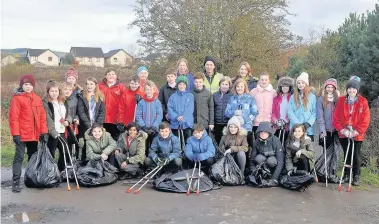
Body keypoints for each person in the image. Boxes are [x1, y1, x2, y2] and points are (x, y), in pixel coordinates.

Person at [9, 74, 48, 193]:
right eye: (25, 84)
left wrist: (44, 132)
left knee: (32, 157)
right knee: (19, 157)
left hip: (34, 135)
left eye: (30, 84)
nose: (28, 87)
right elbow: (13, 117)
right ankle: (16, 182)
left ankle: (31, 179)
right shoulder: (17, 98)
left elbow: (42, 117)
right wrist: (15, 134)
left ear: (33, 86)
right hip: (21, 134)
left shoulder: (37, 98)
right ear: (22, 85)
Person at [333, 77, 370, 186]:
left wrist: (357, 131)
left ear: (357, 90)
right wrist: (342, 130)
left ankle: (356, 175)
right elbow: (336, 118)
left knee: (356, 155)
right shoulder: (341, 100)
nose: (351, 91)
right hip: (344, 133)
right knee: (347, 153)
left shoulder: (363, 101)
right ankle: (346, 175)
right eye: (349, 88)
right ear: (347, 89)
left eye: (354, 88)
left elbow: (365, 119)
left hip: (357, 134)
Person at [42, 80, 72, 171]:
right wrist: (53, 132)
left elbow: (69, 114)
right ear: (48, 92)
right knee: (51, 152)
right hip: (52, 132)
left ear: (59, 91)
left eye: (56, 91)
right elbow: (48, 118)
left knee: (65, 152)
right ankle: (50, 172)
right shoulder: (46, 103)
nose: (54, 93)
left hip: (62, 131)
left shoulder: (63, 101)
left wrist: (68, 121)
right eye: (51, 91)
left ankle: (61, 170)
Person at [316, 78, 340, 182]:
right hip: (326, 130)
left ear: (335, 88)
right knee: (326, 152)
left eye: (332, 87)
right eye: (328, 87)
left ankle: (332, 173)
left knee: (335, 153)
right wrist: (322, 131)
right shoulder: (321, 99)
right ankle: (323, 173)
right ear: (325, 88)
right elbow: (320, 117)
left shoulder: (338, 99)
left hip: (336, 130)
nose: (330, 89)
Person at [77, 77, 106, 161]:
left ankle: (97, 161)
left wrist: (97, 125)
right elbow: (81, 111)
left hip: (97, 125)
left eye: (91, 84)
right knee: (86, 143)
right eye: (88, 84)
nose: (89, 86)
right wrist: (88, 124)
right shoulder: (82, 96)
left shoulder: (100, 95)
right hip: (86, 124)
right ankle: (84, 162)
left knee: (97, 144)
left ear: (95, 85)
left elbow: (102, 111)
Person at [250, 121, 284, 186]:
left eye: (265, 132)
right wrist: (253, 173)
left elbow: (280, 161)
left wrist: (274, 179)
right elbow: (252, 158)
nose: (263, 134)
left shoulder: (276, 140)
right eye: (261, 132)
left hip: (273, 161)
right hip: (262, 162)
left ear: (269, 132)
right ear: (258, 133)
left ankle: (271, 175)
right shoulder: (256, 141)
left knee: (271, 161)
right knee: (258, 158)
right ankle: (264, 175)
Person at [136, 80, 163, 155]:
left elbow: (159, 115)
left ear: (154, 90)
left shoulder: (157, 102)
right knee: (144, 146)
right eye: (147, 89)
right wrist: (143, 126)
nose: (149, 91)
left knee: (153, 146)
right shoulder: (141, 102)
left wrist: (154, 127)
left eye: (150, 89)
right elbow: (138, 115)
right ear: (144, 91)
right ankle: (144, 161)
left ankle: (152, 160)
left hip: (154, 129)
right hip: (144, 129)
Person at [99, 68, 126, 140]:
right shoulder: (100, 86)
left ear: (116, 76)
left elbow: (125, 102)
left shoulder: (121, 87)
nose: (111, 76)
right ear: (105, 76)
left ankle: (114, 151)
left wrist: (121, 119)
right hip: (103, 117)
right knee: (103, 138)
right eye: (109, 74)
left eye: (113, 74)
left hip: (115, 118)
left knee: (114, 138)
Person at [288, 72, 317, 141]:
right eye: (299, 83)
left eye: (303, 83)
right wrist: (298, 124)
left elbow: (314, 112)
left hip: (307, 128)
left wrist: (308, 123)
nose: (301, 85)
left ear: (306, 84)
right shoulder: (292, 97)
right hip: (295, 128)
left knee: (307, 150)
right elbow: (290, 111)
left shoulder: (312, 97)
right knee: (294, 148)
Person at [167, 75, 194, 142]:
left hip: (187, 123)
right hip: (175, 124)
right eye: (180, 84)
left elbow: (190, 109)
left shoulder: (190, 96)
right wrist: (176, 117)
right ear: (177, 85)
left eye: (183, 84)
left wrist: (183, 118)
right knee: (177, 142)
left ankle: (187, 152)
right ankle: (178, 152)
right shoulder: (173, 96)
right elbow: (170, 108)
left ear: (186, 85)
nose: (182, 86)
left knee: (187, 141)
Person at [272, 76, 294, 144]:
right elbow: (273, 111)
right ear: (280, 87)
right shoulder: (276, 98)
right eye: (283, 86)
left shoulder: (292, 98)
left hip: (288, 126)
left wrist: (285, 120)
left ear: (290, 87)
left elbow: (293, 111)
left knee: (286, 145)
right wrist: (275, 121)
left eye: (287, 86)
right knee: (277, 144)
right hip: (278, 126)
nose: (285, 88)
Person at [213, 76, 233, 143]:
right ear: (220, 85)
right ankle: (219, 152)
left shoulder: (232, 95)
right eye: (223, 84)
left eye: (226, 84)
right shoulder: (215, 95)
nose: (224, 86)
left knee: (227, 141)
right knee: (218, 140)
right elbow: (212, 109)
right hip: (217, 123)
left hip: (227, 123)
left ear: (229, 86)